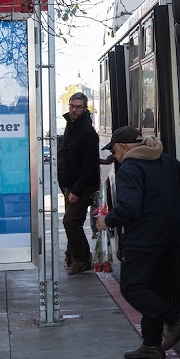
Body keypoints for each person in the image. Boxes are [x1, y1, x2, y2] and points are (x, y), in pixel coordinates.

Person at [94, 126, 180, 359]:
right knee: (154, 289)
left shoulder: (130, 167)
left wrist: (106, 220)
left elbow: (129, 208)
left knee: (132, 287)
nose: (115, 157)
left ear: (124, 148)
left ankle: (175, 319)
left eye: (115, 151)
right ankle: (151, 344)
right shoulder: (167, 161)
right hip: (167, 238)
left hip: (143, 240)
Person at [57, 92, 100, 275]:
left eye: (78, 107)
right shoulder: (71, 125)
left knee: (70, 221)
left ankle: (82, 259)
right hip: (69, 185)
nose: (74, 110)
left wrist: (77, 190)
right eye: (72, 106)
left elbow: (89, 166)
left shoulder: (88, 132)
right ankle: (73, 255)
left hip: (81, 187)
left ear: (85, 108)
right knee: (74, 221)